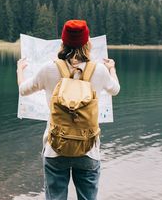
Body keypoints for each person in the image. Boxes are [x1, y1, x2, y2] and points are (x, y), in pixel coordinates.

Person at [17, 19, 120, 200]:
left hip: (55, 147)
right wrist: (112, 69)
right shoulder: (100, 70)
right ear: (88, 43)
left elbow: (23, 90)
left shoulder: (49, 69)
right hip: (88, 149)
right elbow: (115, 90)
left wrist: (20, 70)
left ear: (62, 42)